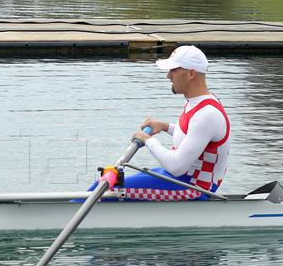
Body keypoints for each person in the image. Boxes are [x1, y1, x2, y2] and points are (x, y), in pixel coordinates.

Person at [91, 45, 230, 201]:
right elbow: (193, 135)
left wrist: (148, 140)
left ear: (191, 74)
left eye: (173, 70)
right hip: (178, 179)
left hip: (194, 188)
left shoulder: (207, 114)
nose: (168, 76)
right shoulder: (199, 102)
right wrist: (165, 127)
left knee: (103, 189)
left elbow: (176, 166)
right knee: (105, 183)